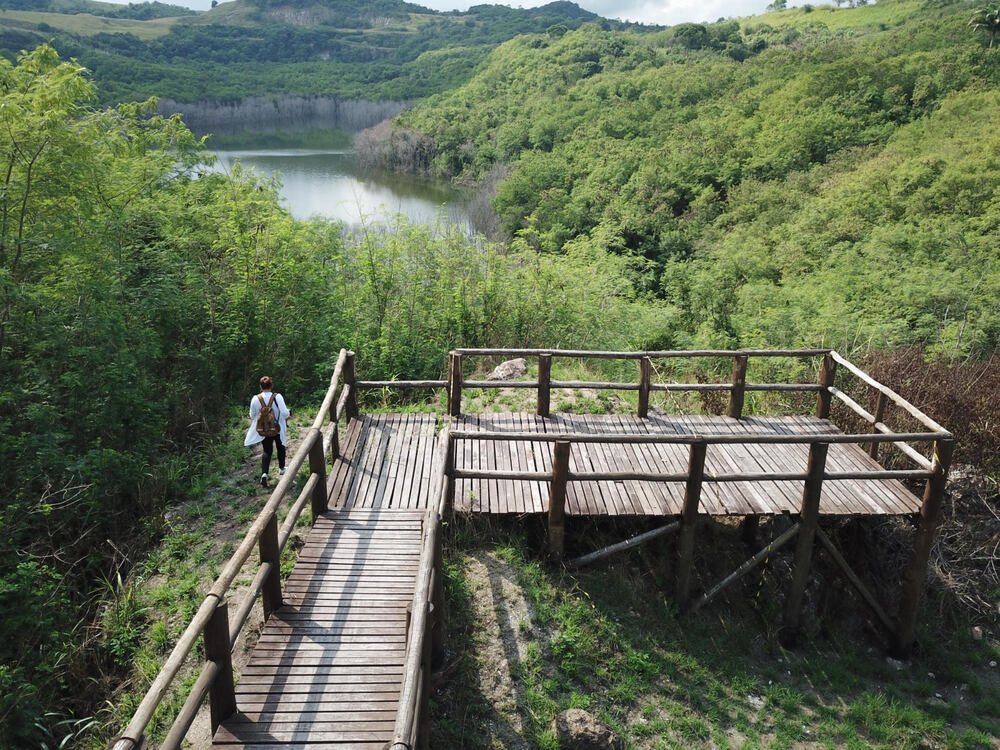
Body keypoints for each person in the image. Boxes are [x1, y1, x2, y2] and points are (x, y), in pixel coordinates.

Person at [244, 375, 290, 487]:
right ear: (271, 385)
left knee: (267, 451)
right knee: (280, 447)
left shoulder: (256, 398)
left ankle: (264, 474)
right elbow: (284, 413)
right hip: (277, 428)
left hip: (264, 430)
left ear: (261, 386)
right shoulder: (277, 397)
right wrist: (288, 414)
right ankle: (282, 468)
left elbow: (252, 415)